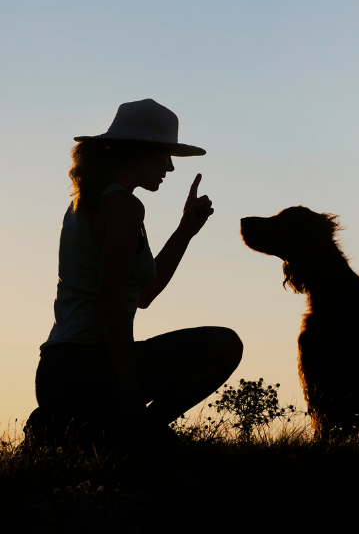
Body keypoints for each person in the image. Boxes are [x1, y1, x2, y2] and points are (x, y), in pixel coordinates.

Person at [32, 99, 243, 446]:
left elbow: (141, 296)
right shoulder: (124, 207)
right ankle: (143, 433)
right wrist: (128, 386)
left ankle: (109, 430)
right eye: (165, 154)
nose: (171, 167)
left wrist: (185, 231)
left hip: (59, 371)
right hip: (89, 366)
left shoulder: (88, 203)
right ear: (139, 152)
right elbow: (110, 297)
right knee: (225, 345)